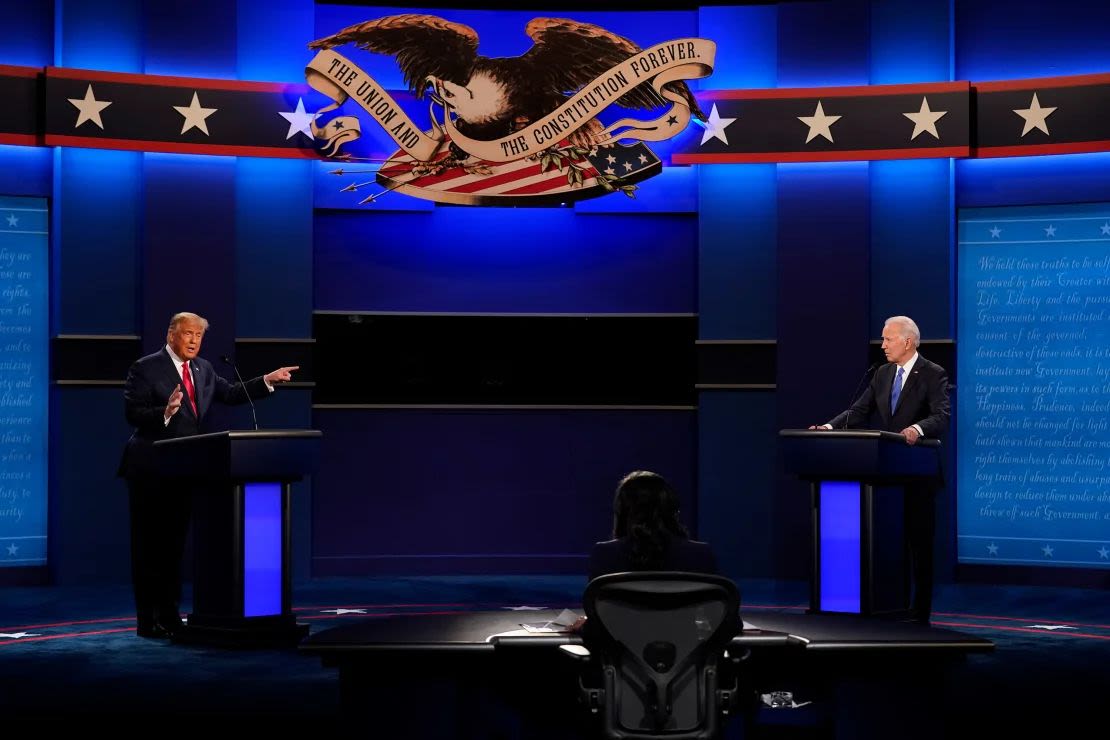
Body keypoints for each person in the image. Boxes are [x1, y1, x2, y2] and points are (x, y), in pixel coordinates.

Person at [117, 312, 299, 639]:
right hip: (150, 470)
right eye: (188, 334)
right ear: (171, 334)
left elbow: (229, 393)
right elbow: (132, 413)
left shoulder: (203, 369)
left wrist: (266, 381)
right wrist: (165, 413)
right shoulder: (145, 367)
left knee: (173, 548)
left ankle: (170, 616)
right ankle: (147, 620)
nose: (193, 341)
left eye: (198, 336)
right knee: (149, 548)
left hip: (185, 470)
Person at [812, 315, 950, 623]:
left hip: (918, 472)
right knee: (891, 543)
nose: (883, 345)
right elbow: (859, 411)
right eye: (883, 339)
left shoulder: (933, 374)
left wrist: (917, 428)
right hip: (887, 475)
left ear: (907, 341)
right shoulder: (882, 374)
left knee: (919, 544)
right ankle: (888, 606)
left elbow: (941, 416)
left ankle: (920, 612)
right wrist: (829, 427)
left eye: (888, 339)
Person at [587, 470, 717, 582]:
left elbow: (596, 608)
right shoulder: (701, 555)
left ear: (621, 512)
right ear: (673, 511)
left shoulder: (604, 555)